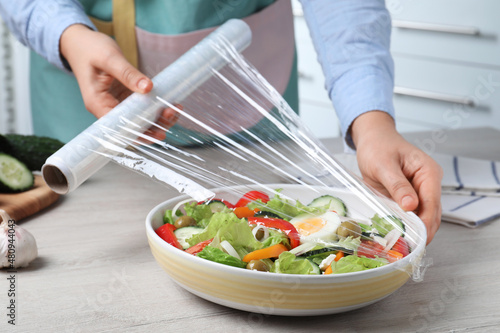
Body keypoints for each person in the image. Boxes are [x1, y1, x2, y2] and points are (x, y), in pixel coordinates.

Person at [0, 0, 442, 243]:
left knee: (276, 229)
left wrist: (371, 123)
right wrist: (66, 35)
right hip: (84, 112)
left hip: (253, 123)